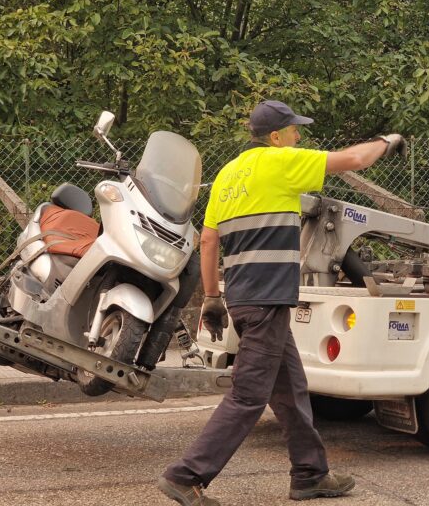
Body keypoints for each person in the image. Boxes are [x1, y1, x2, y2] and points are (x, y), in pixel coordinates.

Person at [159, 100, 407, 505]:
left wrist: (212, 297)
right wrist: (387, 140)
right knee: (248, 396)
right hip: (267, 298)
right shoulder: (281, 163)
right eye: (294, 131)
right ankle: (186, 476)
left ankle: (310, 475)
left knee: (291, 388)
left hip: (243, 298)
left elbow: (208, 240)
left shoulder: (227, 175)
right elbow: (356, 158)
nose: (299, 137)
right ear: (276, 138)